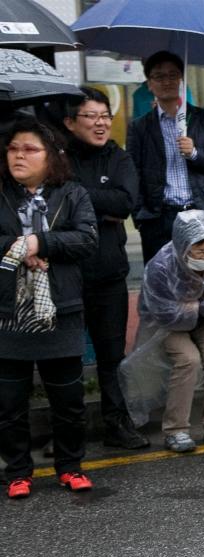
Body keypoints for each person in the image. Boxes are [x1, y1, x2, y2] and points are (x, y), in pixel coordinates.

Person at [0, 118, 97, 499]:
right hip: (9, 312)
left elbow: (87, 239)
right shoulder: (2, 193)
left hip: (60, 309)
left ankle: (71, 466)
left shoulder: (72, 194)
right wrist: (20, 249)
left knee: (68, 400)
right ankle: (18, 472)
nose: (19, 155)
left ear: (51, 157)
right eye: (13, 149)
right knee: (9, 403)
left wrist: (42, 242)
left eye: (29, 149)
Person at [61, 87, 146, 450]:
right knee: (64, 357)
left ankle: (117, 424)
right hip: (66, 274)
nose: (100, 124)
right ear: (69, 122)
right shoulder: (58, 158)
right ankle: (68, 432)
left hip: (109, 273)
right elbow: (55, 204)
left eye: (104, 116)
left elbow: (125, 202)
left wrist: (77, 196)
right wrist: (96, 201)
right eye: (91, 116)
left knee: (112, 356)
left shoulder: (119, 158)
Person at [133, 211, 204, 452]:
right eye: (200, 251)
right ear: (184, 246)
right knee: (188, 360)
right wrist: (201, 307)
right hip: (168, 326)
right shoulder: (161, 265)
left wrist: (198, 307)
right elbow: (165, 312)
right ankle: (176, 430)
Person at [127, 51, 204, 264]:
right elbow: (133, 172)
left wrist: (195, 153)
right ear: (149, 83)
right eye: (159, 76)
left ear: (182, 80)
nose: (167, 81)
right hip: (159, 218)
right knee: (161, 284)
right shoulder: (139, 127)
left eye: (173, 75)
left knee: (202, 282)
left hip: (199, 212)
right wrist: (141, 217)